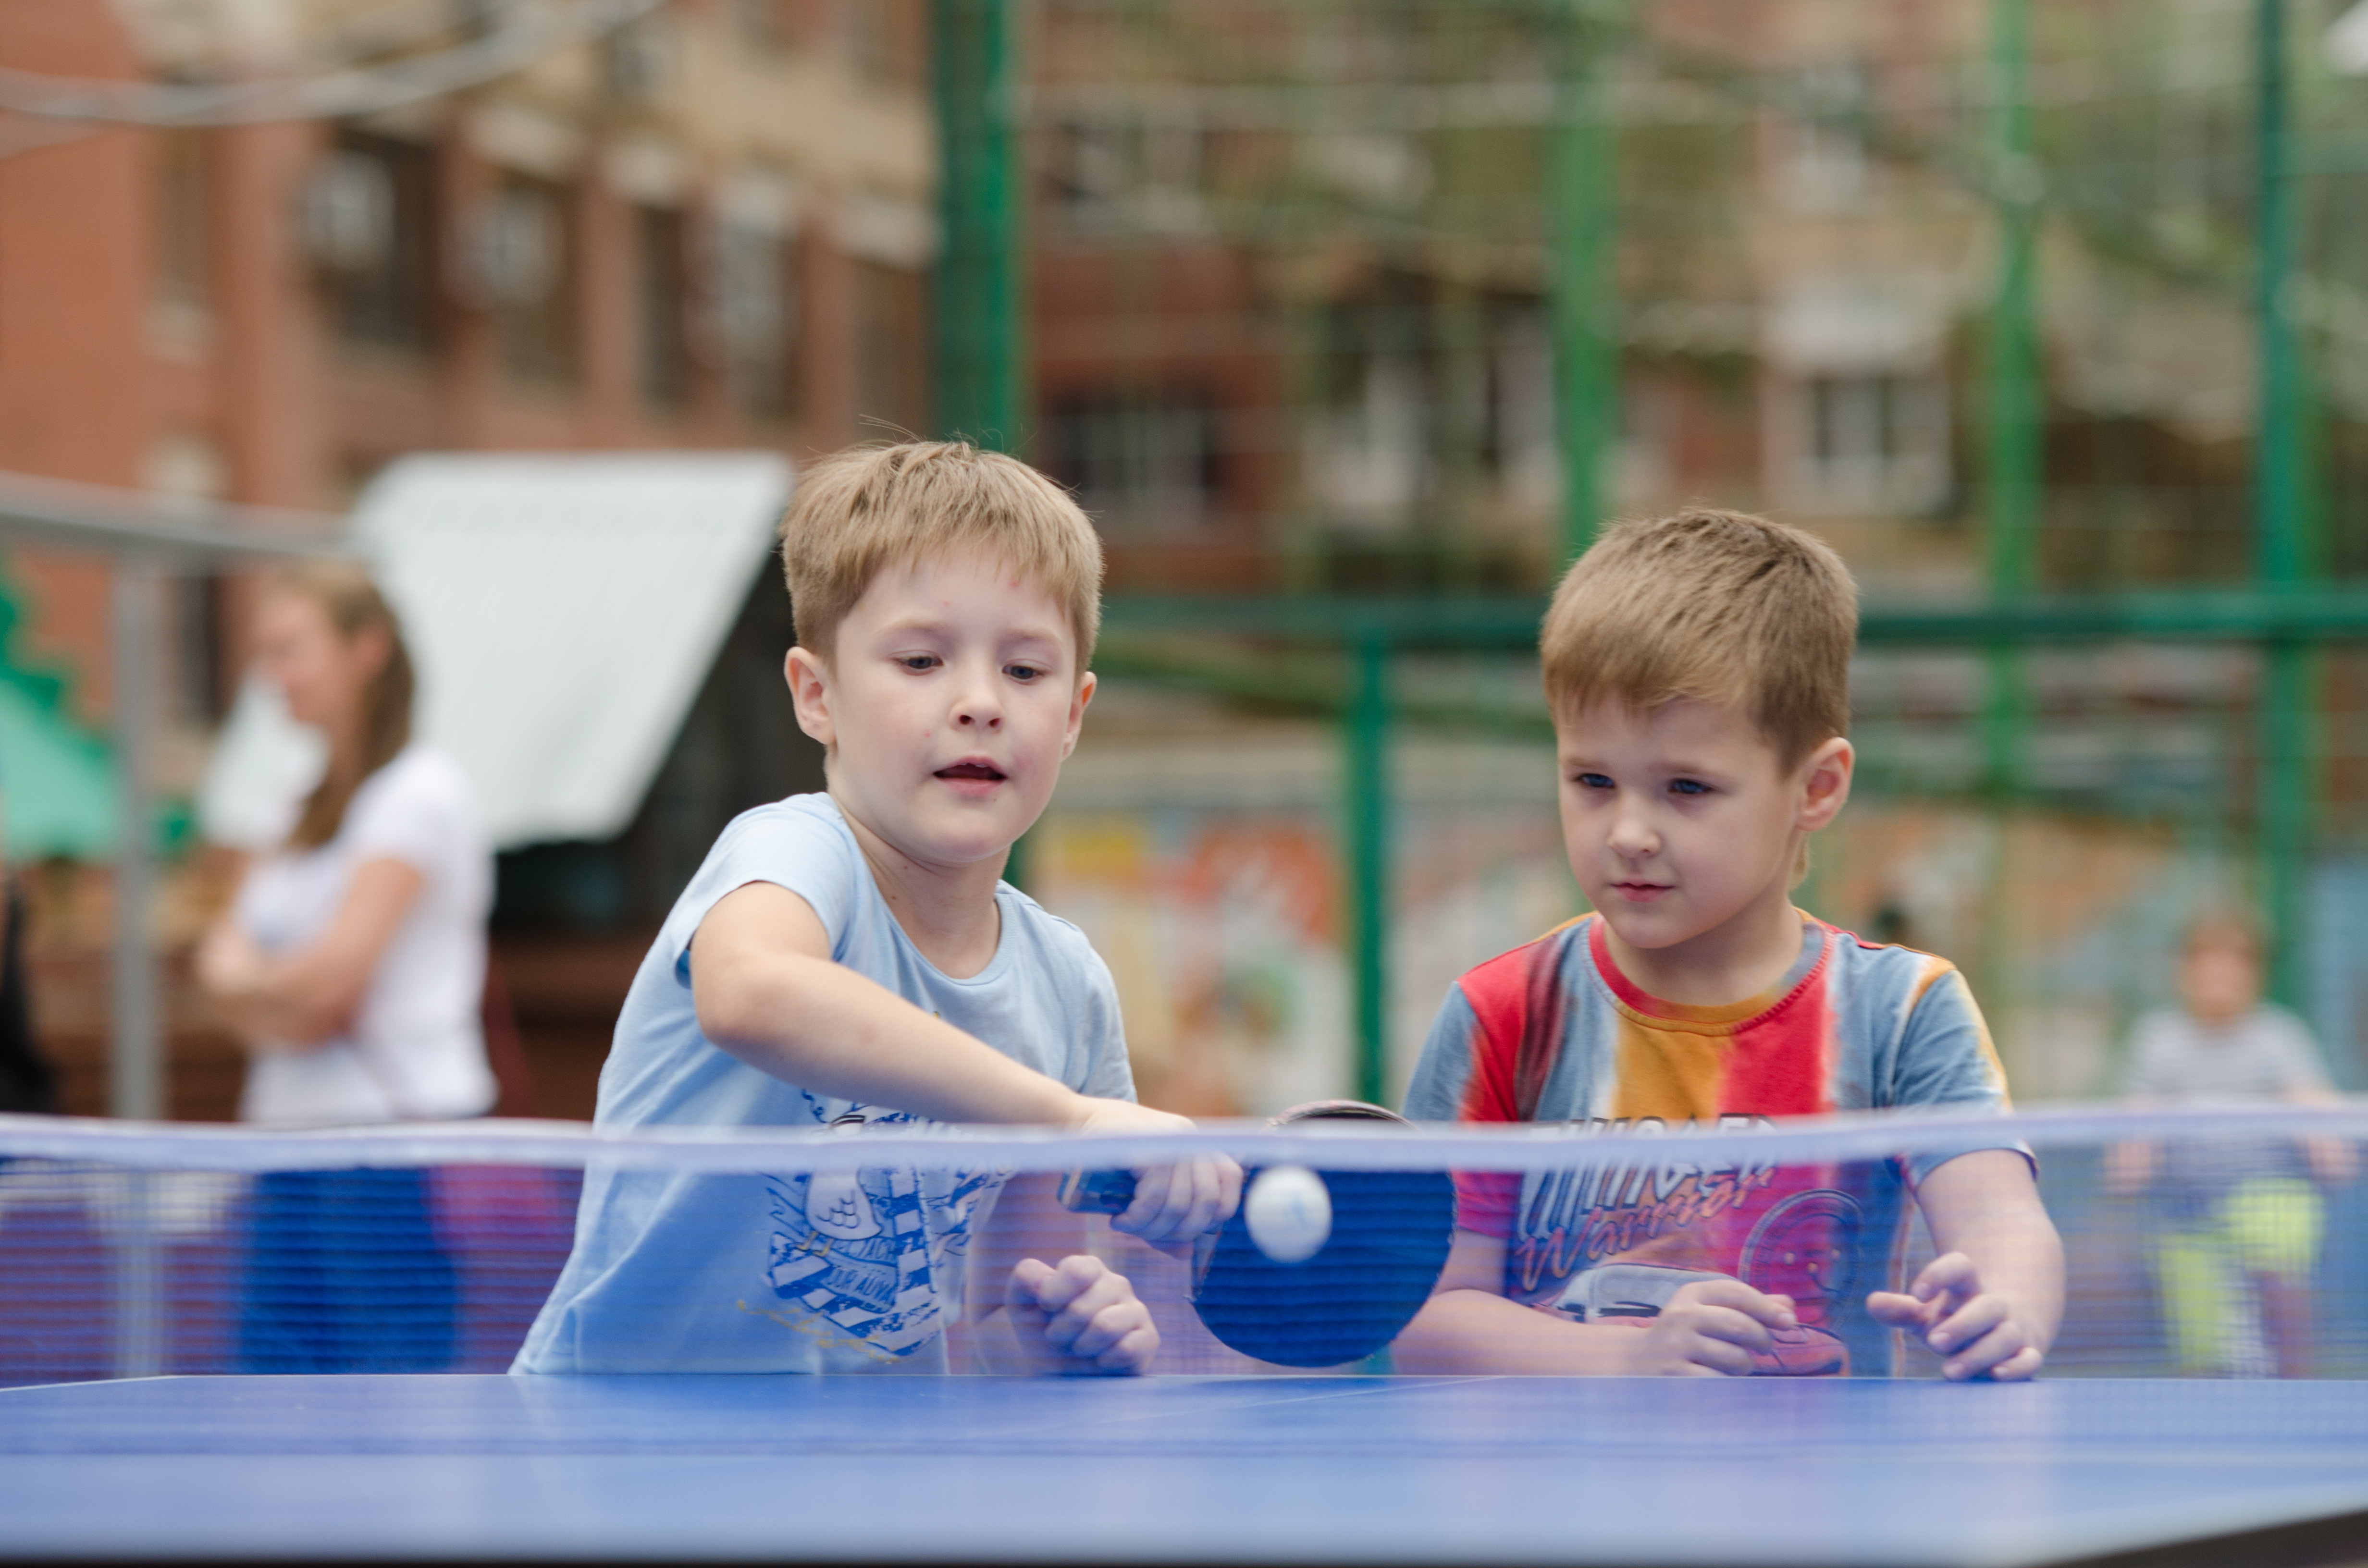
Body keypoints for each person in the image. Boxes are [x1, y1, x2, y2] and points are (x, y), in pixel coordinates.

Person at [514, 441, 1237, 1377]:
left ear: (1073, 715)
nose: (979, 701)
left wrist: (1056, 1337)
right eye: (921, 659)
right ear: (817, 695)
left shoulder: (1068, 989)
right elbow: (752, 995)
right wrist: (1067, 1121)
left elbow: (991, 1325)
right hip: (620, 1458)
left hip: (865, 1487)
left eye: (1025, 671)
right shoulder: (793, 854)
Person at [1394, 508, 2065, 1380]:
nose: (1628, 830)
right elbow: (1426, 1317)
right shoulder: (1502, 1014)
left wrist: (2002, 1299)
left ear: (1815, 786)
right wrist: (1628, 1361)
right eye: (1591, 780)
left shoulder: (1900, 1010)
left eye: (1685, 787)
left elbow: (2000, 1220)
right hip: (1557, 1499)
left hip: (1832, 1500)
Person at [196, 564, 494, 1372]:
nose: (273, 674)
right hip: (286, 1138)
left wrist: (261, 976)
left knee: (394, 1393)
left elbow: (326, 981)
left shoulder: (420, 794)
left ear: (366, 649)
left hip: (391, 1147)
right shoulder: (288, 802)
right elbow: (222, 974)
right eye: (266, 652)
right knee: (275, 1382)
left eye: (292, 648)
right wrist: (276, 986)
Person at [2108, 915, 2352, 1377]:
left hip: (2270, 1196)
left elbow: (2311, 1103)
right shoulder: (2157, 1039)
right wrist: (2130, 1160)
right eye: (2208, 964)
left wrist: (2328, 1141)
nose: (2220, 977)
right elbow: (2136, 1123)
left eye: (2234, 965)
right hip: (2185, 1212)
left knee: (2277, 1257)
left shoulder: (2279, 1037)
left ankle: (2293, 1386)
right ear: (2186, 972)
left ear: (2253, 975)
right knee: (2203, 1354)